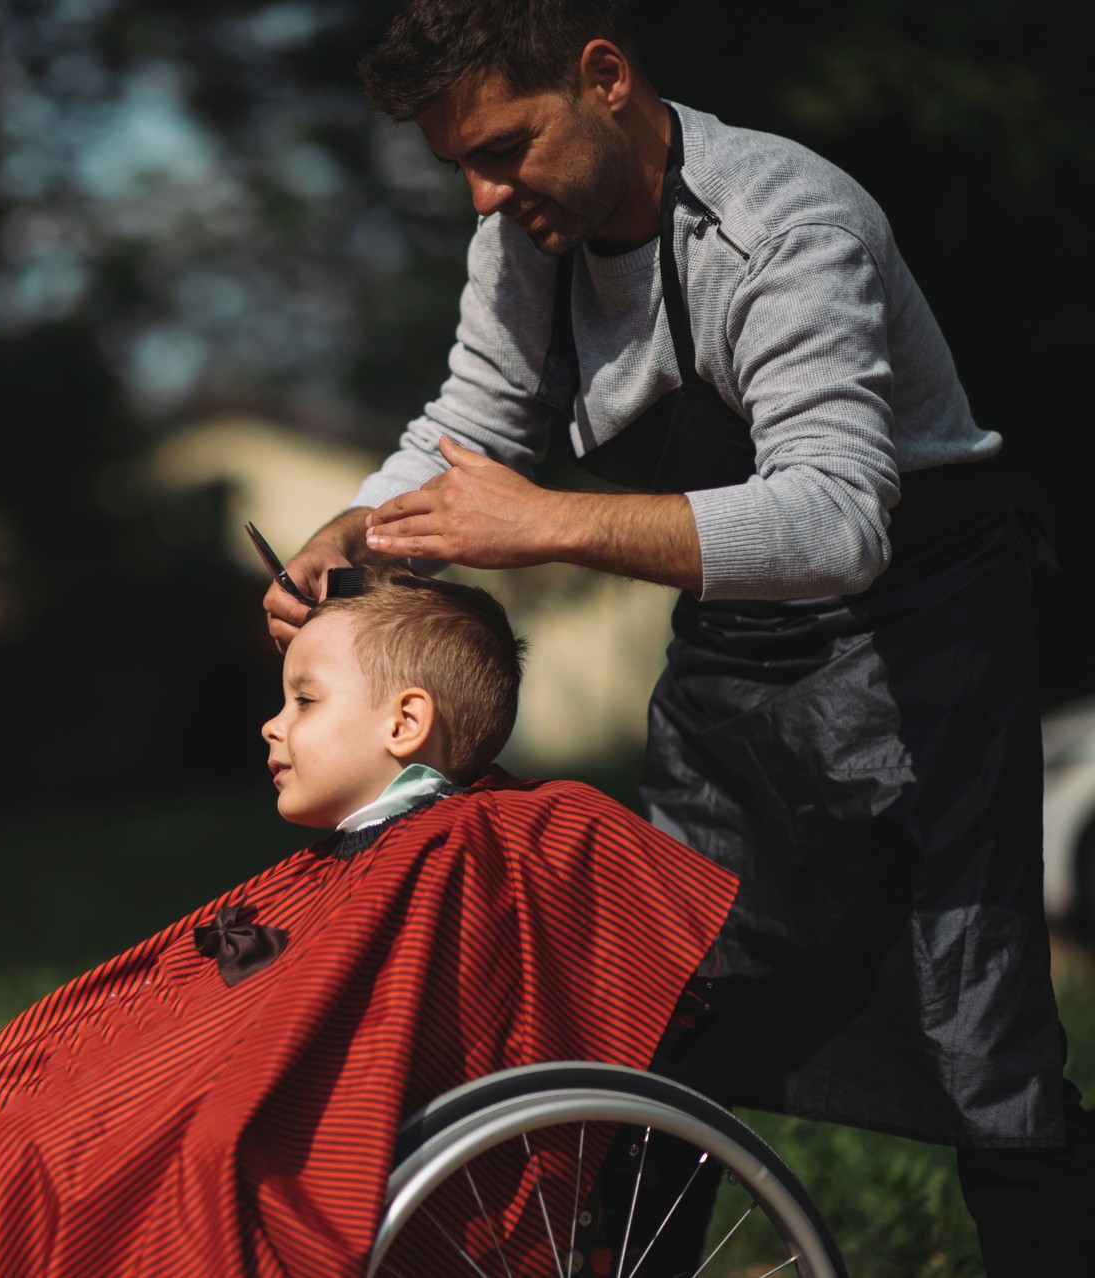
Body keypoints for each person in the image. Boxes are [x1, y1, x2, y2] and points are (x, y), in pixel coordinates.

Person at [263, 2, 1095, 1270]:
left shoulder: (786, 226)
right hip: (739, 649)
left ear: (604, 79)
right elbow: (471, 419)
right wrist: (357, 526)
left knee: (979, 1031)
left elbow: (834, 518)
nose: (485, 198)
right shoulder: (531, 236)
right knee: (658, 995)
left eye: (507, 149)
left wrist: (547, 524)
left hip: (921, 640)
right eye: (461, 168)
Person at [0, 567, 737, 1277]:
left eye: (304, 701)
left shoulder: (452, 843)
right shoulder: (364, 853)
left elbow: (351, 1013)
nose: (272, 723)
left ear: (405, 722)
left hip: (300, 1115)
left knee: (65, 1154)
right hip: (235, 1072)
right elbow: (279, 968)